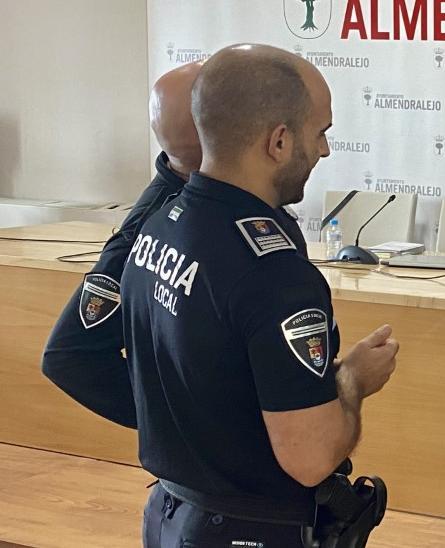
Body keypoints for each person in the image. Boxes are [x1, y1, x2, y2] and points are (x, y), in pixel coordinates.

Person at [118, 44, 398, 545]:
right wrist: (354, 379)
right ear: (279, 141)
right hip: (247, 528)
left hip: (168, 513)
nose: (326, 151)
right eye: (321, 134)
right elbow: (310, 459)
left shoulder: (158, 226)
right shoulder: (274, 275)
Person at [41, 62, 308, 427]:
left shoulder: (240, 196)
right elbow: (69, 355)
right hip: (222, 475)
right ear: (212, 128)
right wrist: (185, 429)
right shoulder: (151, 228)